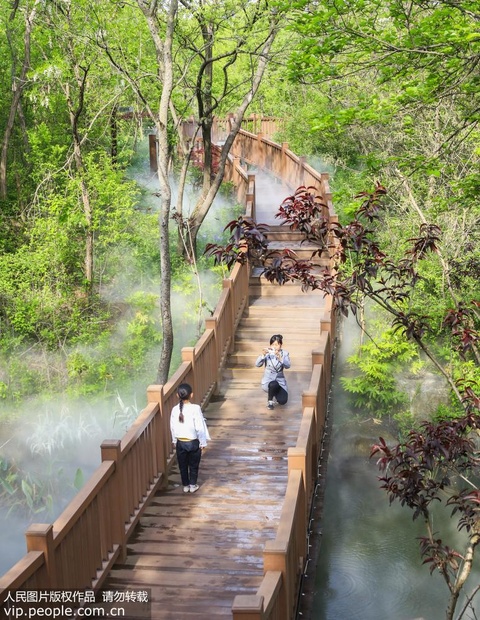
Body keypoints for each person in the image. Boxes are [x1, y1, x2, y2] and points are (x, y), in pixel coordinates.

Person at [170, 383, 210, 493]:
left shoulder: (174, 409)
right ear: (191, 395)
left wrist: (174, 440)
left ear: (177, 395)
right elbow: (199, 427)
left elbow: (172, 426)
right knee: (193, 465)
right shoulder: (195, 408)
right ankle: (193, 485)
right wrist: (202, 442)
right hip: (193, 443)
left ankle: (185, 485)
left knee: (182, 465)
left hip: (180, 443)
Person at [255, 334, 291, 410]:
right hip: (268, 382)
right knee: (273, 384)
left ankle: (276, 394)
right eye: (272, 344)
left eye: (276, 344)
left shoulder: (284, 354)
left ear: (280, 345)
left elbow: (288, 366)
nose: (274, 346)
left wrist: (281, 359)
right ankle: (270, 401)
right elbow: (257, 364)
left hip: (280, 382)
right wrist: (262, 355)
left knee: (283, 401)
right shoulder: (267, 354)